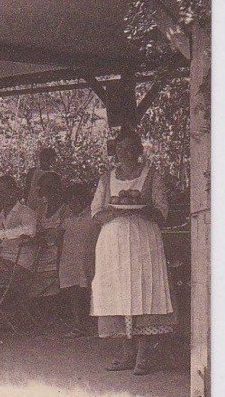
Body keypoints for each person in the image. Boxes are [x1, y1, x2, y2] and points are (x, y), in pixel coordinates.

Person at [91, 127, 174, 375]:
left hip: (143, 239)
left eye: (130, 148)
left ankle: (143, 356)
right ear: (115, 151)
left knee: (143, 290)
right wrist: (114, 210)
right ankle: (127, 354)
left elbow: (162, 211)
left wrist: (141, 206)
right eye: (120, 148)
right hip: (113, 241)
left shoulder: (152, 175)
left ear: (139, 150)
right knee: (118, 292)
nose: (125, 153)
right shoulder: (106, 178)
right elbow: (95, 212)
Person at [59, 183, 100, 337]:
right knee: (73, 291)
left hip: (89, 258)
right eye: (70, 200)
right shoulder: (67, 219)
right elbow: (59, 239)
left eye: (76, 199)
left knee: (90, 290)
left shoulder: (93, 217)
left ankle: (95, 324)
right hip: (70, 260)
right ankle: (77, 324)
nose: (73, 203)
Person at [0, 175, 38, 287]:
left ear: (13, 192)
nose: (0, 196)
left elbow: (30, 230)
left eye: (4, 192)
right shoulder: (1, 216)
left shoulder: (25, 212)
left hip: (20, 265)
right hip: (3, 262)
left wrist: (3, 234)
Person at [28, 171, 66, 299]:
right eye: (44, 187)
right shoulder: (41, 208)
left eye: (50, 187)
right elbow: (34, 230)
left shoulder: (66, 209)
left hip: (58, 259)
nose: (48, 191)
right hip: (39, 258)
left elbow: (63, 234)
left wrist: (45, 236)